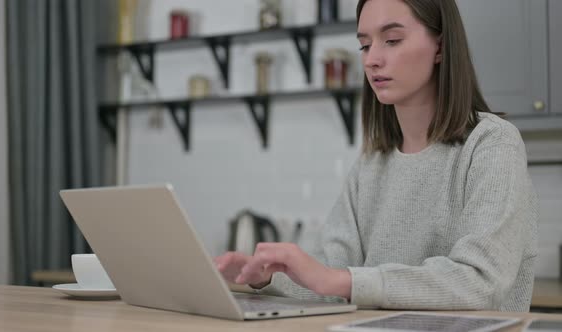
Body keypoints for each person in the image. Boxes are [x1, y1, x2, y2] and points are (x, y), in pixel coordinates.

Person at [214, 0, 538, 312]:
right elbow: (333, 281)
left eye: (392, 40)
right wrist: (270, 276)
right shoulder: (372, 165)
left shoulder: (492, 144)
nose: (372, 60)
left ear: (440, 47)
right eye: (365, 45)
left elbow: (480, 281)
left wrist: (342, 281)